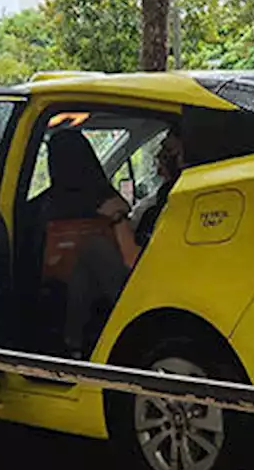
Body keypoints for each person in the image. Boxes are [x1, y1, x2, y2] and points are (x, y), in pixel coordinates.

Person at [63, 127, 184, 358]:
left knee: (94, 248)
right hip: (157, 283)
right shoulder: (163, 196)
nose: (159, 155)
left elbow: (134, 261)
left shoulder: (174, 200)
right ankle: (77, 344)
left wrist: (117, 218)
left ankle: (73, 346)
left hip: (149, 288)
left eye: (168, 150)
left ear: (182, 157)